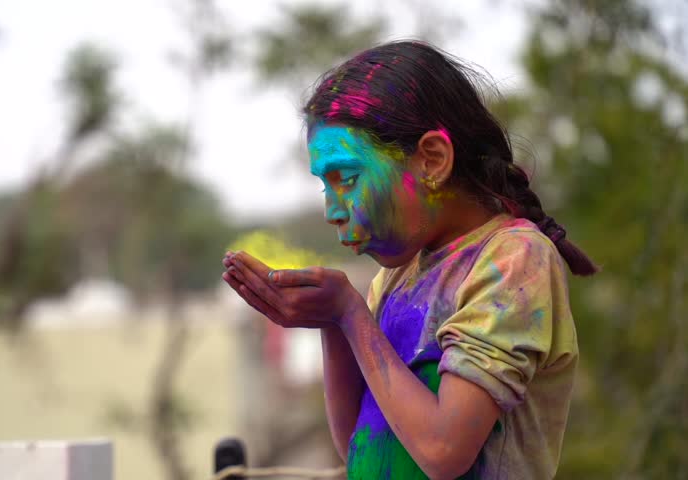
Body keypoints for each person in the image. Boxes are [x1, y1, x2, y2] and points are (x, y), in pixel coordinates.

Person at [222, 40, 597, 479]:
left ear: (432, 160)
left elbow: (442, 449)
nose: (333, 211)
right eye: (326, 187)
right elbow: (360, 448)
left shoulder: (514, 261)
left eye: (347, 179)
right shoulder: (396, 276)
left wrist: (350, 314)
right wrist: (330, 324)